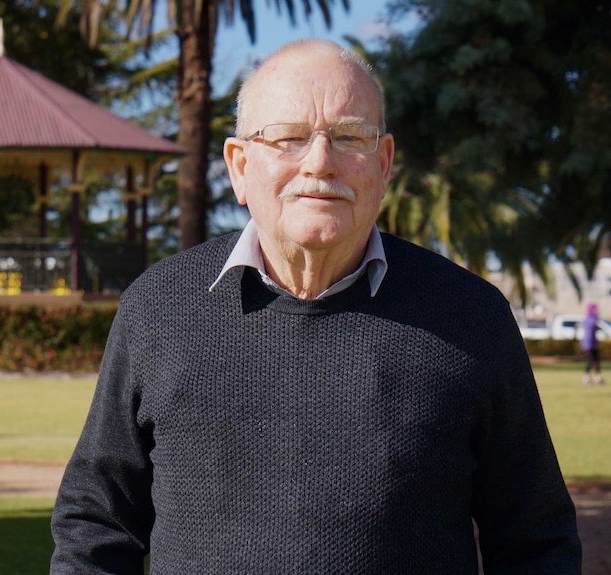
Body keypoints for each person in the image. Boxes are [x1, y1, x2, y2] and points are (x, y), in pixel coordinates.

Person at [50, 39, 581, 574]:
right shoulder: (157, 309)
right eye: (288, 138)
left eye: (350, 136)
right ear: (239, 166)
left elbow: (536, 542)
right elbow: (96, 525)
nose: (320, 162)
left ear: (385, 163)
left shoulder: (470, 318)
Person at [581, 302, 604, 385]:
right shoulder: (590, 318)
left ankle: (597, 377)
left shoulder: (589, 318)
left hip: (592, 342)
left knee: (595, 360)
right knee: (591, 360)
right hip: (589, 343)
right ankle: (587, 377)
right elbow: (594, 326)